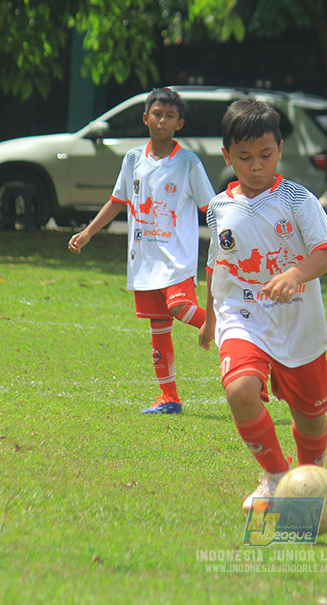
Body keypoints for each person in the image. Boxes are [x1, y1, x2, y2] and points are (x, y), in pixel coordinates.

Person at [198, 99, 327, 511]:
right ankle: (276, 476)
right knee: (239, 389)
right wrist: (210, 318)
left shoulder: (297, 199)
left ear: (279, 150)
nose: (255, 166)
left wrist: (295, 274)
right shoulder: (219, 208)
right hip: (243, 316)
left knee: (309, 417)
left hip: (298, 321)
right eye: (244, 157)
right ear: (227, 156)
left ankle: (308, 483)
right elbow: (217, 265)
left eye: (264, 155)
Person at [68, 87, 215, 414]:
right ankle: (169, 397)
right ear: (145, 118)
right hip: (145, 260)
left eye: (170, 116)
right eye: (157, 114)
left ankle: (236, 336)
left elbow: (210, 207)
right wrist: (88, 232)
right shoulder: (133, 158)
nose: (163, 121)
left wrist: (228, 241)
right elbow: (117, 200)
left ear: (180, 124)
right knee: (158, 328)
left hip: (177, 258)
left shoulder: (188, 162)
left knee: (180, 307)